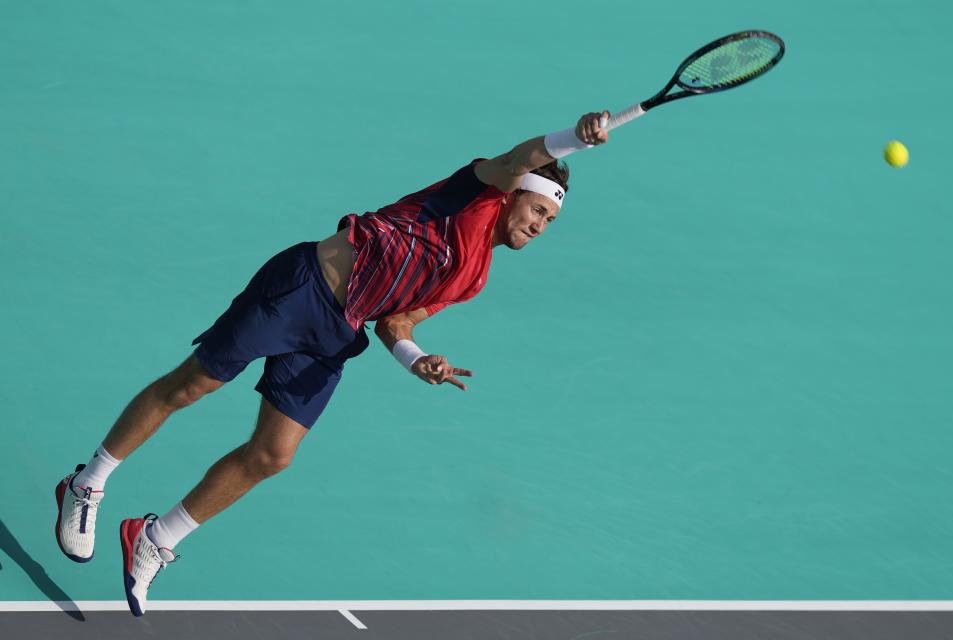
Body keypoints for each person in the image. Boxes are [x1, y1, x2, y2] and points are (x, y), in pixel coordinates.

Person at [54, 110, 611, 616]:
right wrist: (575, 140)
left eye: (549, 222)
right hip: (302, 287)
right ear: (515, 195)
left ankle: (156, 537)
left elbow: (396, 323)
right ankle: (88, 483)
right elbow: (523, 157)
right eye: (538, 208)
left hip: (336, 331)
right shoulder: (476, 191)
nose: (540, 225)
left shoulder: (474, 279)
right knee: (192, 386)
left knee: (273, 454)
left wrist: (417, 362)